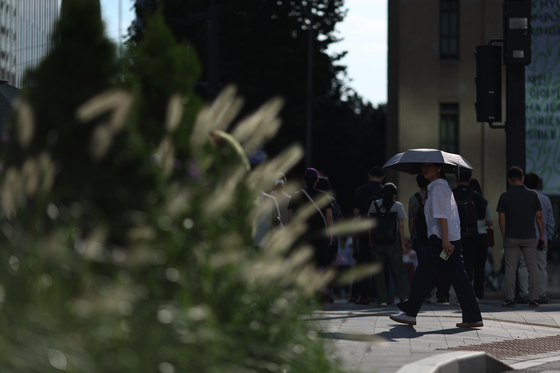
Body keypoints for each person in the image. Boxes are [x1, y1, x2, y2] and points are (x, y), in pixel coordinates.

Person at [390, 163, 483, 328]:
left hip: (441, 241)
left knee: (424, 274)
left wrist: (445, 241)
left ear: (439, 168)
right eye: (424, 166)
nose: (425, 169)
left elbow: (443, 217)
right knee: (458, 278)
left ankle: (410, 312)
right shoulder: (439, 187)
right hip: (449, 240)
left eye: (430, 166)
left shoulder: (438, 188)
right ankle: (473, 316)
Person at [435, 170, 486, 305]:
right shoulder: (476, 196)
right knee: (468, 265)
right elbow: (482, 216)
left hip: (451, 236)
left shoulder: (450, 194)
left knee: (445, 263)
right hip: (470, 237)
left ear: (456, 179)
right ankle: (464, 296)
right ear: (469, 180)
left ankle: (443, 295)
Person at [497, 166, 544, 308]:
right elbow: (539, 216)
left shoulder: (504, 196)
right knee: (533, 268)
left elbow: (501, 218)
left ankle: (510, 299)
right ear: (522, 179)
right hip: (529, 237)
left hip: (511, 237)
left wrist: (505, 234)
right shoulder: (533, 195)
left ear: (509, 180)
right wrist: (541, 234)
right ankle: (534, 299)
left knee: (510, 269)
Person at [368, 183, 410, 306]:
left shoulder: (374, 204)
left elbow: (370, 226)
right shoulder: (397, 206)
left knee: (379, 272)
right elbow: (401, 226)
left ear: (382, 193)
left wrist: (371, 242)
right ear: (394, 194)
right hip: (392, 242)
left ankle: (382, 299)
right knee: (398, 270)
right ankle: (404, 297)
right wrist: (402, 244)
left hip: (377, 242)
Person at [516, 172, 554, 305]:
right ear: (538, 184)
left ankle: (524, 294)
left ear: (524, 182)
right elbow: (550, 221)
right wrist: (548, 238)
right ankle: (541, 294)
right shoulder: (546, 199)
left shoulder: (520, 198)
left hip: (525, 237)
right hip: (541, 239)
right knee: (541, 266)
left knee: (524, 266)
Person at [351, 167, 385, 304]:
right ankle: (382, 296)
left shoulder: (361, 190)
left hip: (365, 230)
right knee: (381, 264)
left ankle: (363, 296)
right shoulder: (386, 190)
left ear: (369, 176)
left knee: (364, 264)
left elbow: (355, 213)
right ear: (382, 177)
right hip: (382, 231)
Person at [288, 168, 334, 268]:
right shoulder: (323, 195)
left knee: (302, 266)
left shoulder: (296, 196)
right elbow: (329, 216)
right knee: (319, 266)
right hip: (319, 236)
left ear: (303, 179)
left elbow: (291, 218)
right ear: (317, 180)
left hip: (302, 237)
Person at [468, 178, 494, 299]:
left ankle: (466, 293)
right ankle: (479, 294)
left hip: (468, 235)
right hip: (482, 234)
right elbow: (490, 221)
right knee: (480, 266)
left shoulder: (465, 200)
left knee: (468, 266)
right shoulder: (484, 202)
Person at [408, 174, 430, 262]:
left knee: (422, 261)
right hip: (432, 234)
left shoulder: (413, 199)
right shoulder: (432, 196)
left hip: (419, 236)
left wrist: (412, 236)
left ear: (418, 184)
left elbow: (411, 220)